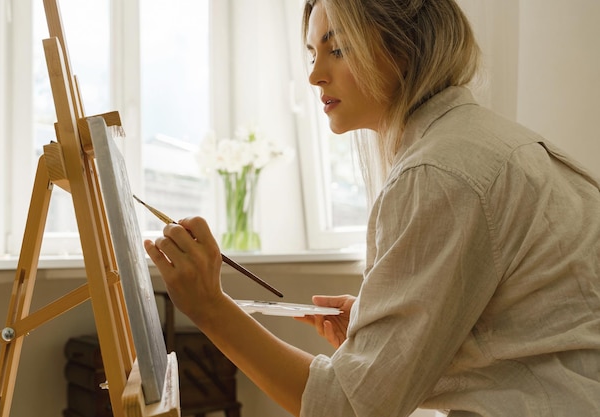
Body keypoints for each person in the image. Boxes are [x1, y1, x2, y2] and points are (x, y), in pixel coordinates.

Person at [143, 0, 600, 416]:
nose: (315, 75)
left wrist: (209, 307)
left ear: (405, 48)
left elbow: (347, 408)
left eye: (337, 50)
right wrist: (385, 330)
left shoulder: (439, 172)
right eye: (312, 54)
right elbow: (532, 337)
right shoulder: (486, 143)